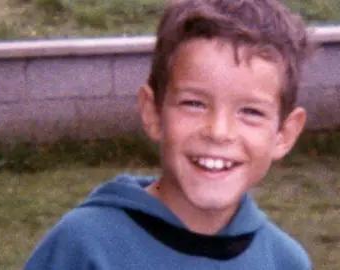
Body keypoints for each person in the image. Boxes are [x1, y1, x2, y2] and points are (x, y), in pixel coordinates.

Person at [24, 0, 313, 269]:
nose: (219, 132)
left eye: (251, 112)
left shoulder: (284, 261)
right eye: (194, 104)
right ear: (153, 113)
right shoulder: (83, 246)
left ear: (284, 134)